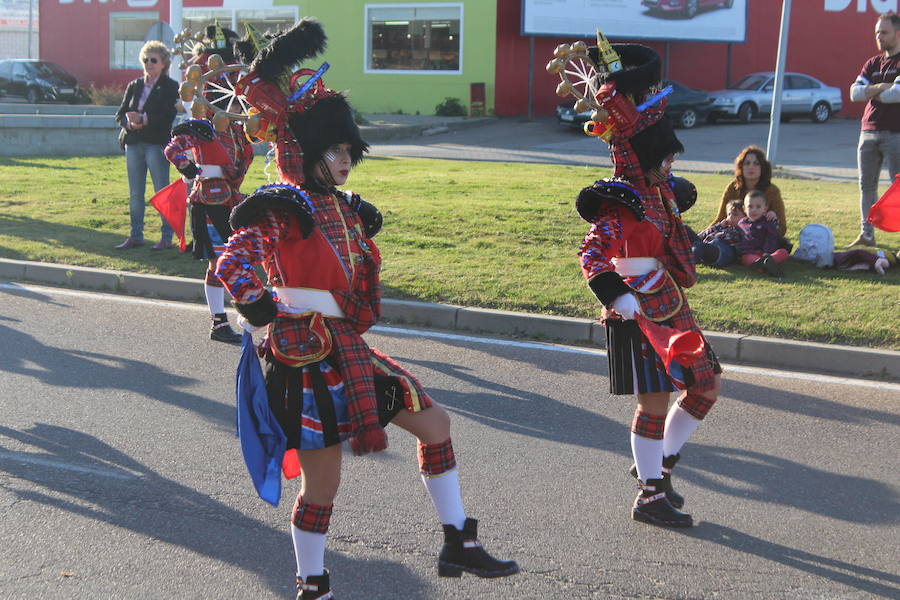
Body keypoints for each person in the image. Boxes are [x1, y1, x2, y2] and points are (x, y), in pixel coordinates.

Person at [215, 19, 518, 599]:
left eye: (350, 150)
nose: (347, 160)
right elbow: (234, 263)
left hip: (347, 348)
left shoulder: (340, 205)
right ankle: (313, 584)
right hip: (301, 355)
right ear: (306, 153)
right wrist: (258, 310)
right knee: (322, 487)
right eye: (334, 151)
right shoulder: (285, 206)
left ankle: (458, 539)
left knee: (436, 425)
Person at [575, 43, 721, 528]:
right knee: (654, 402)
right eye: (667, 158)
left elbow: (678, 242)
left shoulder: (662, 195)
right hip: (634, 307)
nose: (673, 165)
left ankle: (657, 467)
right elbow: (592, 255)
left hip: (668, 301)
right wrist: (619, 298)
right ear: (649, 156)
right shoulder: (622, 201)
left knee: (706, 385)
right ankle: (650, 494)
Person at [164, 24, 253, 344]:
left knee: (234, 258)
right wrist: (193, 172)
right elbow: (172, 149)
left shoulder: (238, 129)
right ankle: (220, 321)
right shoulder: (202, 127)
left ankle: (242, 314)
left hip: (231, 199)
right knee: (221, 261)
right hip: (208, 201)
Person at [114, 40, 179, 250]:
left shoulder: (170, 87)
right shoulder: (134, 85)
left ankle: (166, 238)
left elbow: (169, 115)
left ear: (163, 63)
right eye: (145, 60)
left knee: (162, 190)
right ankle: (136, 235)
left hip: (155, 144)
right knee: (135, 192)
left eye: (153, 60)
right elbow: (120, 113)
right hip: (134, 143)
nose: (148, 64)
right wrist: (129, 122)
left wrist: (145, 119)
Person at [849, 12, 900, 248]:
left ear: (898, 34)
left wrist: (871, 90)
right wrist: (880, 86)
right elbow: (854, 93)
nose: (879, 37)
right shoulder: (872, 63)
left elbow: (895, 95)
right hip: (867, 132)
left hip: (895, 133)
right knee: (866, 186)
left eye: (884, 32)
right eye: (877, 32)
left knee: (897, 187)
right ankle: (866, 235)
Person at [709, 145, 788, 247]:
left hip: (761, 240)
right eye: (747, 163)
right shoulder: (732, 188)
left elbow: (782, 228)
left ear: (763, 168)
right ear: (740, 167)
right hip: (733, 237)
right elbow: (720, 219)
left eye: (756, 163)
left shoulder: (772, 191)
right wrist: (705, 233)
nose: (751, 167)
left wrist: (772, 220)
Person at [737, 190, 790, 277]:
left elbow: (772, 238)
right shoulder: (741, 223)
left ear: (765, 208)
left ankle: (767, 263)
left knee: (783, 252)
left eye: (758, 207)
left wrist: (767, 252)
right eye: (750, 206)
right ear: (744, 209)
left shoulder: (767, 222)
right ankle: (765, 267)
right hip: (750, 253)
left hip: (767, 254)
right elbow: (739, 239)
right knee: (747, 258)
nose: (754, 210)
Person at [692, 199, 745, 267]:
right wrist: (719, 226)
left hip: (722, 252)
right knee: (691, 236)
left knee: (699, 246)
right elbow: (706, 233)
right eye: (729, 214)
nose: (730, 217)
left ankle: (690, 262)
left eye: (735, 215)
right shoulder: (724, 227)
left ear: (745, 217)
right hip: (709, 245)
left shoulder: (743, 230)